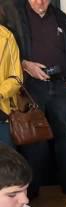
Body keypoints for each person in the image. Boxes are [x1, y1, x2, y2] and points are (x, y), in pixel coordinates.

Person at [8, 0, 66, 199]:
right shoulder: (15, 16)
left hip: (61, 86)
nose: (40, 2)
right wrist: (25, 65)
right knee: (34, 139)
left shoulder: (63, 19)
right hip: (31, 86)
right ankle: (31, 191)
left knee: (64, 137)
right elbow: (7, 50)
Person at [0, 19, 22, 147]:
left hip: (1, 114)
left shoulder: (6, 36)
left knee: (6, 163)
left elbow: (16, 77)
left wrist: (1, 93)